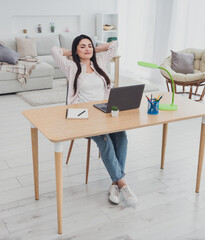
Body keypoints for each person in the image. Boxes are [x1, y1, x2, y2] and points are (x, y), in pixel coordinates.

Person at [51, 35, 138, 205]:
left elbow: (115, 44)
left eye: (89, 45)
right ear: (76, 49)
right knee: (105, 140)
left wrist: (93, 50)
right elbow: (54, 51)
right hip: (84, 117)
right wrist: (75, 53)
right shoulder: (71, 67)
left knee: (121, 135)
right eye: (82, 46)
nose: (87, 48)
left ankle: (115, 183)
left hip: (104, 112)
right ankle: (123, 183)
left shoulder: (100, 63)